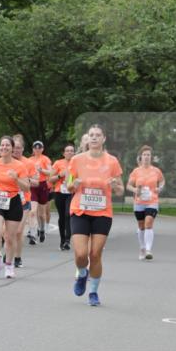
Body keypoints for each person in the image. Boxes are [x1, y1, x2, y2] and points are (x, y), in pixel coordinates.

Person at [67, 124, 124, 306]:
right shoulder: (76, 160)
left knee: (95, 254)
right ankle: (82, 274)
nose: (94, 138)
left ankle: (93, 292)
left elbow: (120, 190)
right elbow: (69, 185)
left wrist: (115, 185)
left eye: (97, 135)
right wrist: (73, 184)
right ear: (88, 138)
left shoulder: (112, 161)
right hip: (80, 210)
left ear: (103, 138)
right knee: (81, 254)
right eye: (91, 135)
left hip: (102, 212)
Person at [0, 136, 32, 279]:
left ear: (12, 149)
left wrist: (16, 178)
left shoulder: (19, 166)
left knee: (10, 238)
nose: (4, 147)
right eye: (2, 145)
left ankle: (9, 265)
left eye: (7, 145)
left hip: (13, 201)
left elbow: (27, 187)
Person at [127, 145, 165, 261]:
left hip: (152, 201)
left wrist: (160, 188)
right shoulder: (136, 171)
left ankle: (148, 250)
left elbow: (162, 180)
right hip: (139, 202)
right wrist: (135, 190)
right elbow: (128, 185)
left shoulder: (156, 171)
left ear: (151, 157)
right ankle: (142, 248)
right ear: (141, 157)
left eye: (148, 155)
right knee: (141, 226)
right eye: (144, 155)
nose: (146, 157)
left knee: (148, 223)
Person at [12, 134, 37, 268]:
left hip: (23, 201)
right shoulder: (4, 161)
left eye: (19, 148)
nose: (17, 150)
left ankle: (17, 257)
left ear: (23, 149)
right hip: (7, 200)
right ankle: (9, 252)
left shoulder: (28, 163)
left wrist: (24, 180)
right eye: (14, 148)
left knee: (18, 231)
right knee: (8, 232)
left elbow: (36, 182)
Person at [50, 142, 75, 250]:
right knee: (62, 217)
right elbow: (50, 179)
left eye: (72, 151)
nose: (69, 152)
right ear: (63, 153)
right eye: (67, 151)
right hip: (59, 192)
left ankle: (68, 240)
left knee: (68, 215)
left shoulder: (77, 163)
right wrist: (60, 175)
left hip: (72, 192)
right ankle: (62, 240)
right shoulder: (58, 163)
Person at [27, 140, 52, 244]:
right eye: (35, 148)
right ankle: (32, 233)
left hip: (42, 186)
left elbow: (50, 172)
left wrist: (41, 170)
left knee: (41, 214)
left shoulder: (45, 159)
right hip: (32, 186)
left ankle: (41, 230)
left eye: (39, 148)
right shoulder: (29, 160)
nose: (37, 150)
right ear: (33, 149)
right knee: (32, 211)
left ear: (42, 149)